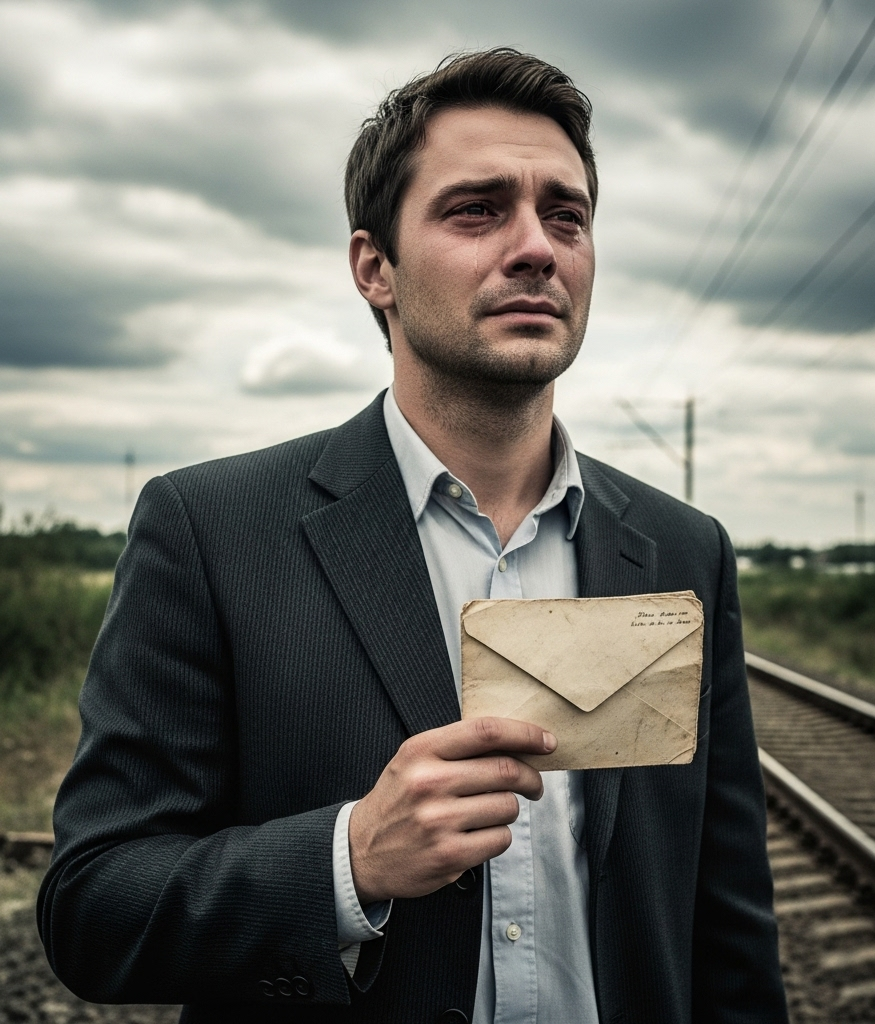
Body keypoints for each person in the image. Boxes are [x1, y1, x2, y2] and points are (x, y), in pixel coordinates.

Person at [38, 48, 787, 1024]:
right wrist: (346, 859)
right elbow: (94, 911)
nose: (536, 247)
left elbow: (727, 931)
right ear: (373, 268)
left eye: (566, 216)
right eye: (476, 209)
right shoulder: (210, 530)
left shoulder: (683, 549)